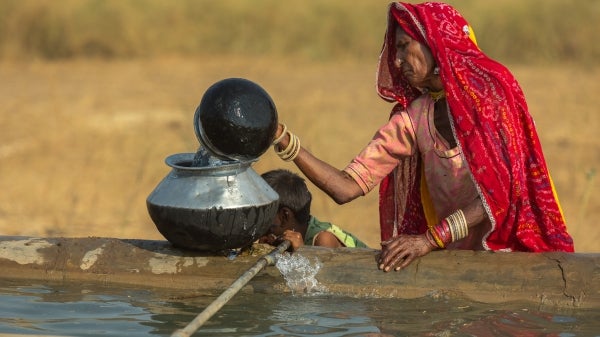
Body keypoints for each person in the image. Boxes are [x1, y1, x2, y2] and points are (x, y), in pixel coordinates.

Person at [270, 2, 574, 271]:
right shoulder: (417, 116)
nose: (398, 61)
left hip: (514, 252)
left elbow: (499, 194)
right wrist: (283, 138)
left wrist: (429, 240)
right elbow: (346, 188)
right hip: (456, 260)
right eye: (396, 50)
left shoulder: (491, 93)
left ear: (435, 42)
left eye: (404, 46)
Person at [259, 169, 368, 251]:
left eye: (262, 215)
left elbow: (324, 279)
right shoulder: (300, 231)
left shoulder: (323, 239)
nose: (257, 223)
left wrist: (302, 253)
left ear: (284, 216)